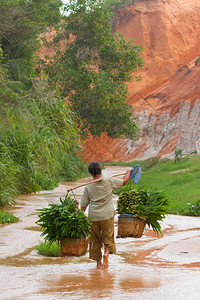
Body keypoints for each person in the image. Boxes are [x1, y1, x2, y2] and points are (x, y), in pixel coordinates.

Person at [80, 161, 131, 269]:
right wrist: (129, 172)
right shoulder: (109, 181)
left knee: (95, 240)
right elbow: (124, 181)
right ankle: (106, 254)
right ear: (100, 170)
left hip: (93, 216)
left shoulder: (88, 186)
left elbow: (83, 206)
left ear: (91, 173)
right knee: (108, 237)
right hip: (107, 215)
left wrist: (78, 217)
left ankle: (98, 263)